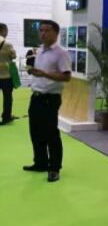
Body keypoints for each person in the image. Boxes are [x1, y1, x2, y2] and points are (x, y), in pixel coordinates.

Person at [22, 20, 71, 182]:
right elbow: (42, 73)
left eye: (46, 30)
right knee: (35, 132)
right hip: (36, 97)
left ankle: (54, 168)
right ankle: (41, 162)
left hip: (50, 98)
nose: (42, 33)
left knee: (51, 134)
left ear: (56, 33)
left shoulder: (61, 53)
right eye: (41, 30)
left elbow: (66, 77)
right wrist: (35, 73)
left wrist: (44, 74)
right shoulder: (40, 51)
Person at [0, 23, 18, 125]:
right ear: (3, 30)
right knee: (7, 98)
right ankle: (6, 117)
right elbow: (14, 56)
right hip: (6, 76)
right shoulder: (7, 44)